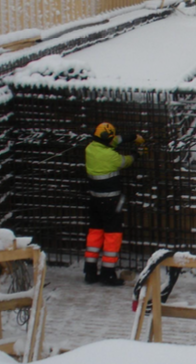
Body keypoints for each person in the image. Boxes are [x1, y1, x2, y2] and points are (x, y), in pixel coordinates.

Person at [84, 122, 144, 286]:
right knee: (112, 235)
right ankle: (107, 273)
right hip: (111, 201)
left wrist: (131, 137)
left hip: (94, 199)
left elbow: (115, 141)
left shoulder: (90, 148)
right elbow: (127, 161)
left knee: (95, 233)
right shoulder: (111, 157)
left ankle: (90, 272)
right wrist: (138, 153)